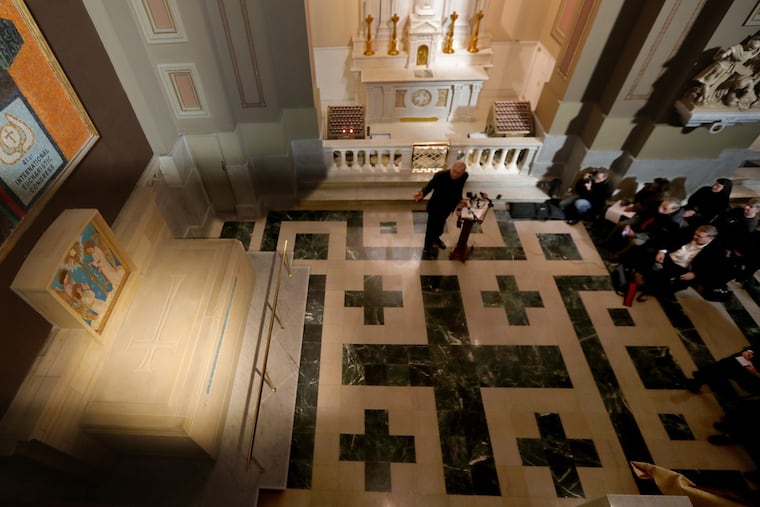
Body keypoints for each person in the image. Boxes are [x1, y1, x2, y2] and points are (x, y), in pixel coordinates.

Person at [640, 224, 732, 300]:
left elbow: (711, 269)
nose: (694, 237)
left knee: (664, 278)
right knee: (644, 254)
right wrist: (662, 251)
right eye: (695, 234)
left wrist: (695, 274)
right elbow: (668, 238)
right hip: (669, 256)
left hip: (683, 267)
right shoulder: (689, 231)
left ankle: (649, 291)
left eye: (699, 236)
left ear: (710, 238)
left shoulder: (717, 251)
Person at [413, 160, 468, 252]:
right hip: (436, 206)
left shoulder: (464, 176)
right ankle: (427, 247)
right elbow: (429, 186)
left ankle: (436, 239)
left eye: (458, 173)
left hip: (448, 207)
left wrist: (460, 199)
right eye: (454, 171)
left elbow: (459, 189)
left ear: (462, 173)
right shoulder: (440, 175)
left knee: (440, 225)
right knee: (431, 228)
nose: (455, 175)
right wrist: (422, 193)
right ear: (451, 168)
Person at [685, 345, 760, 395]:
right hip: (751, 362)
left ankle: (700, 379)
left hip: (756, 378)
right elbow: (756, 346)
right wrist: (749, 351)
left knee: (730, 366)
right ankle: (700, 380)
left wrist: (755, 373)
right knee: (732, 361)